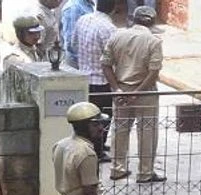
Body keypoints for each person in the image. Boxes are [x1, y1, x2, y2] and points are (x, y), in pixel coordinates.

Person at [102, 6, 165, 183]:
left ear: (133, 19)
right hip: (145, 92)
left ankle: (117, 168)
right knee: (147, 132)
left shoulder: (117, 36)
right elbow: (153, 72)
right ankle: (145, 172)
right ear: (152, 22)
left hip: (121, 91)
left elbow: (106, 64)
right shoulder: (154, 41)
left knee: (120, 130)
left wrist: (116, 89)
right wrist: (137, 93)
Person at [74, 0, 116, 162]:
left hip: (84, 77)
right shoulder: (108, 28)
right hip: (101, 81)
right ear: (113, 8)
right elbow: (112, 57)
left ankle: (91, 145)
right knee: (102, 118)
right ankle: (98, 150)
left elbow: (73, 43)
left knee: (87, 117)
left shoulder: (83, 19)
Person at [60, 0, 93, 68]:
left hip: (85, 60)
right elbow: (71, 41)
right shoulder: (74, 7)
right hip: (76, 61)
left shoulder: (88, 4)